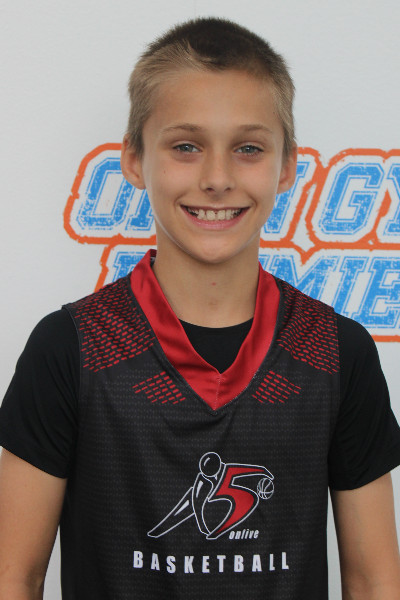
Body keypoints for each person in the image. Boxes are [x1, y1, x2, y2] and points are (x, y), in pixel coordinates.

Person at [0, 17, 400, 600]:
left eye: (248, 149)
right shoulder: (71, 346)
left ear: (288, 166)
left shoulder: (337, 351)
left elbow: (374, 580)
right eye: (186, 146)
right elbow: (15, 576)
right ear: (134, 159)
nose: (216, 179)